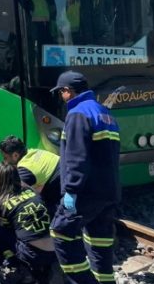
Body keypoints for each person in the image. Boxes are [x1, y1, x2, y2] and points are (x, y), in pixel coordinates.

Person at [49, 71, 120, 284]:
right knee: (99, 242)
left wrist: (70, 191)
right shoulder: (105, 113)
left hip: (86, 192)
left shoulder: (78, 114)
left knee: (61, 233)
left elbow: (76, 158)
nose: (61, 97)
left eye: (61, 92)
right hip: (109, 192)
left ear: (67, 91)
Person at [0, 162, 56, 284]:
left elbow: (5, 227)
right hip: (56, 250)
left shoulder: (2, 201)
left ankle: (17, 264)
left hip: (34, 255)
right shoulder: (31, 190)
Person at [0, 135, 61, 214]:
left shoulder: (26, 169)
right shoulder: (33, 151)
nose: (5, 162)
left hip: (62, 186)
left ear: (15, 155)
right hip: (67, 173)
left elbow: (9, 195)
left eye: (5, 158)